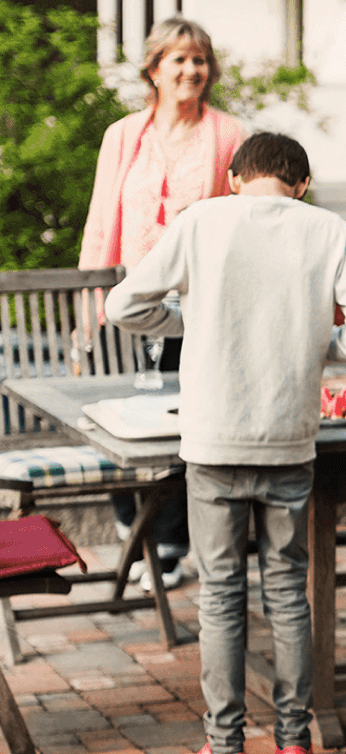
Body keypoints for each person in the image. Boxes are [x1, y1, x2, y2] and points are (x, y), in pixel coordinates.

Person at [104, 132, 346, 754]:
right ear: (303, 183)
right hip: (290, 441)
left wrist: (185, 318)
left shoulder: (201, 219)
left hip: (213, 442)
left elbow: (124, 304)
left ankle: (224, 742)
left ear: (233, 177)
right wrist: (325, 348)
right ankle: (293, 740)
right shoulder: (328, 230)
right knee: (288, 592)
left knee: (220, 595)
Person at [80, 17, 248, 592]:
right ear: (154, 69)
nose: (190, 70)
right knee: (113, 414)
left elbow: (244, 225)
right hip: (127, 296)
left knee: (186, 420)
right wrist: (91, 302)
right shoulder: (124, 135)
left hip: (195, 305)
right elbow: (104, 219)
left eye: (199, 60)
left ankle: (172, 543)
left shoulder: (231, 135)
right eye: (178, 59)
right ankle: (132, 529)